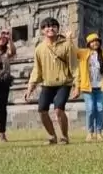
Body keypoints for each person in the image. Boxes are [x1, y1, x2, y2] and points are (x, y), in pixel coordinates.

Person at [23, 17, 77, 145]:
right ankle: (52, 136)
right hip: (48, 84)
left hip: (64, 83)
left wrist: (77, 86)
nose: (50, 28)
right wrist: (30, 88)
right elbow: (37, 70)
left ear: (58, 29)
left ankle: (64, 136)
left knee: (58, 109)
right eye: (47, 26)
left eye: (53, 26)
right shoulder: (39, 49)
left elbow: (74, 66)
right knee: (42, 110)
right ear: (42, 30)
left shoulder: (66, 45)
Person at [69, 32, 103, 142]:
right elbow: (73, 51)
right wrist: (69, 39)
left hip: (99, 87)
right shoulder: (84, 53)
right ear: (89, 44)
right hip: (88, 88)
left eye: (96, 41)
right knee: (90, 110)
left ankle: (99, 133)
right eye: (92, 42)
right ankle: (90, 132)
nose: (95, 43)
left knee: (100, 109)